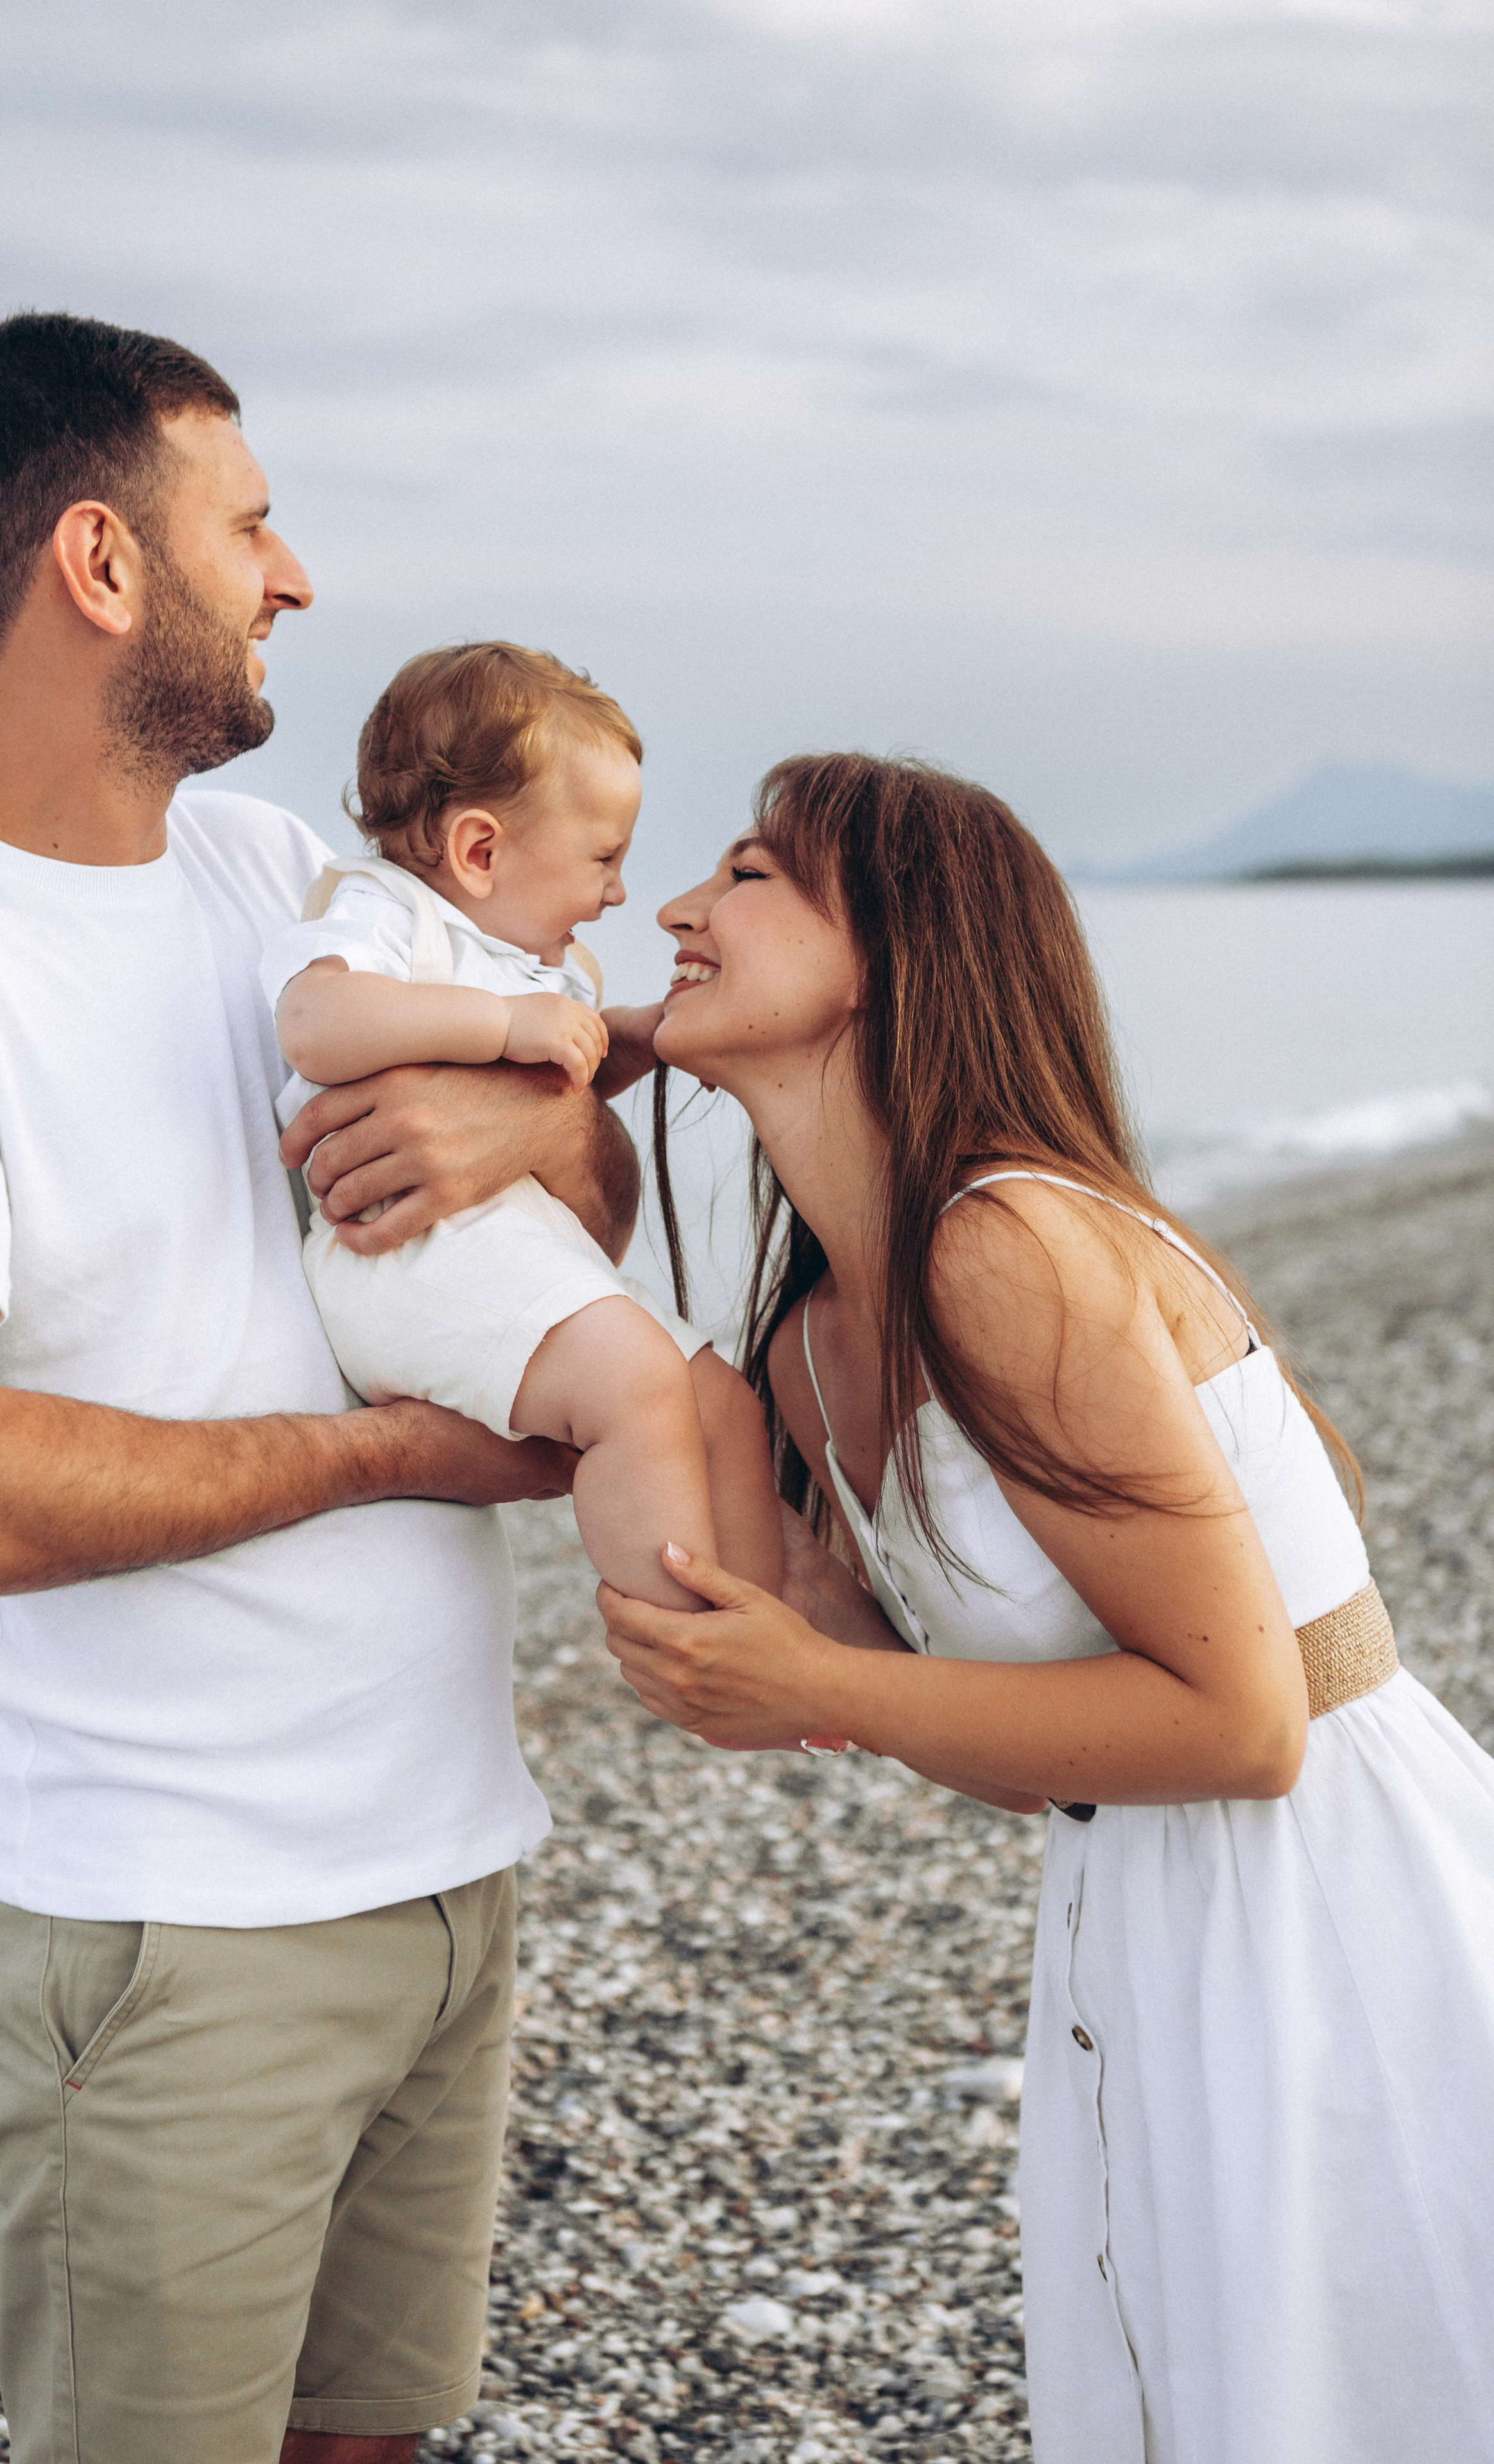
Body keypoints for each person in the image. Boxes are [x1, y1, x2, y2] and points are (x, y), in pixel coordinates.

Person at [0, 312, 642, 2464]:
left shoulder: (283, 871)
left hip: (454, 1878)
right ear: (103, 566)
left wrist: (529, 1126)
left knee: (371, 2442)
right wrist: (394, 1457)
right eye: (254, 522)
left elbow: (585, 1185)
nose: (294, 576)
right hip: (173, 1939)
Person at [597, 753, 1494, 2464]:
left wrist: (823, 1680)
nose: (676, 910)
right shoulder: (807, 1341)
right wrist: (778, 1656)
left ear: (899, 949)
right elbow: (1033, 1764)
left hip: (1342, 1910)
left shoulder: (1003, 1246)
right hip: (1140, 1907)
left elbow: (1248, 1728)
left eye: (752, 876)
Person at [259, 641, 780, 1609]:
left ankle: (773, 1623)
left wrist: (637, 1037)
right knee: (635, 1387)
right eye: (604, 858)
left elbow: (559, 1093)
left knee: (723, 1403)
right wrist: (503, 1024)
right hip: (405, 1262)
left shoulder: (544, 966)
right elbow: (314, 1024)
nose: (620, 893)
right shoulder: (384, 912)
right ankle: (683, 1638)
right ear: (481, 851)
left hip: (523, 1257)